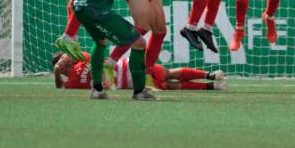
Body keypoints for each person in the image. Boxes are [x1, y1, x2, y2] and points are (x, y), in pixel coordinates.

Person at [53, 51, 226, 91]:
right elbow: (60, 87)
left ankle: (209, 75)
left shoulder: (83, 57)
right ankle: (211, 85)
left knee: (167, 73)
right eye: (63, 62)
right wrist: (56, 73)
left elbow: (93, 55)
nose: (66, 61)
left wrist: (70, 55)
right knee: (169, 85)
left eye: (66, 59)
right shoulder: (71, 83)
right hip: (129, 82)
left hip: (129, 66)